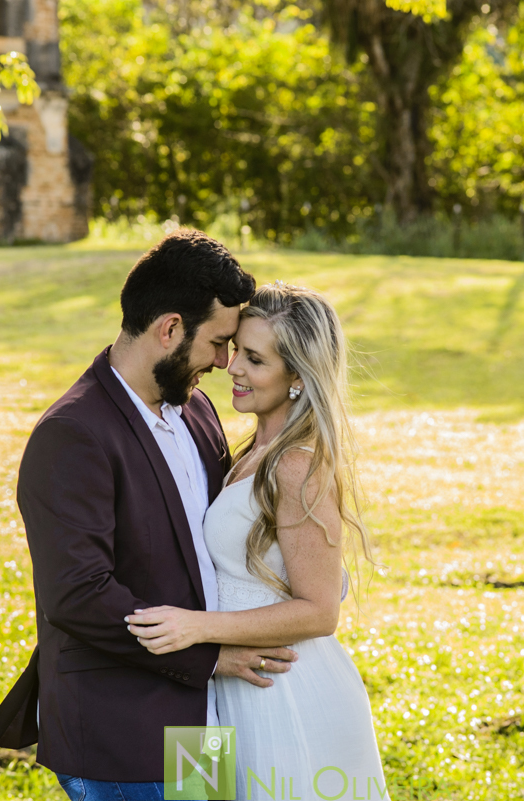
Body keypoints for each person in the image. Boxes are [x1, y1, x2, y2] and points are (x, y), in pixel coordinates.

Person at [0, 231, 300, 801]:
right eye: (219, 342)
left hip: (204, 717)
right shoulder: (72, 435)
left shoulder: (194, 407)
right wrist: (212, 655)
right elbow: (78, 594)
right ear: (170, 329)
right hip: (121, 726)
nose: (226, 363)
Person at [126, 283, 389, 801]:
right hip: (217, 684)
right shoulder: (249, 451)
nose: (233, 368)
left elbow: (319, 612)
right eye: (235, 351)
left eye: (254, 358)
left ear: (297, 376)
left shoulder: (296, 466)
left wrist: (198, 629)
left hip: (280, 694)